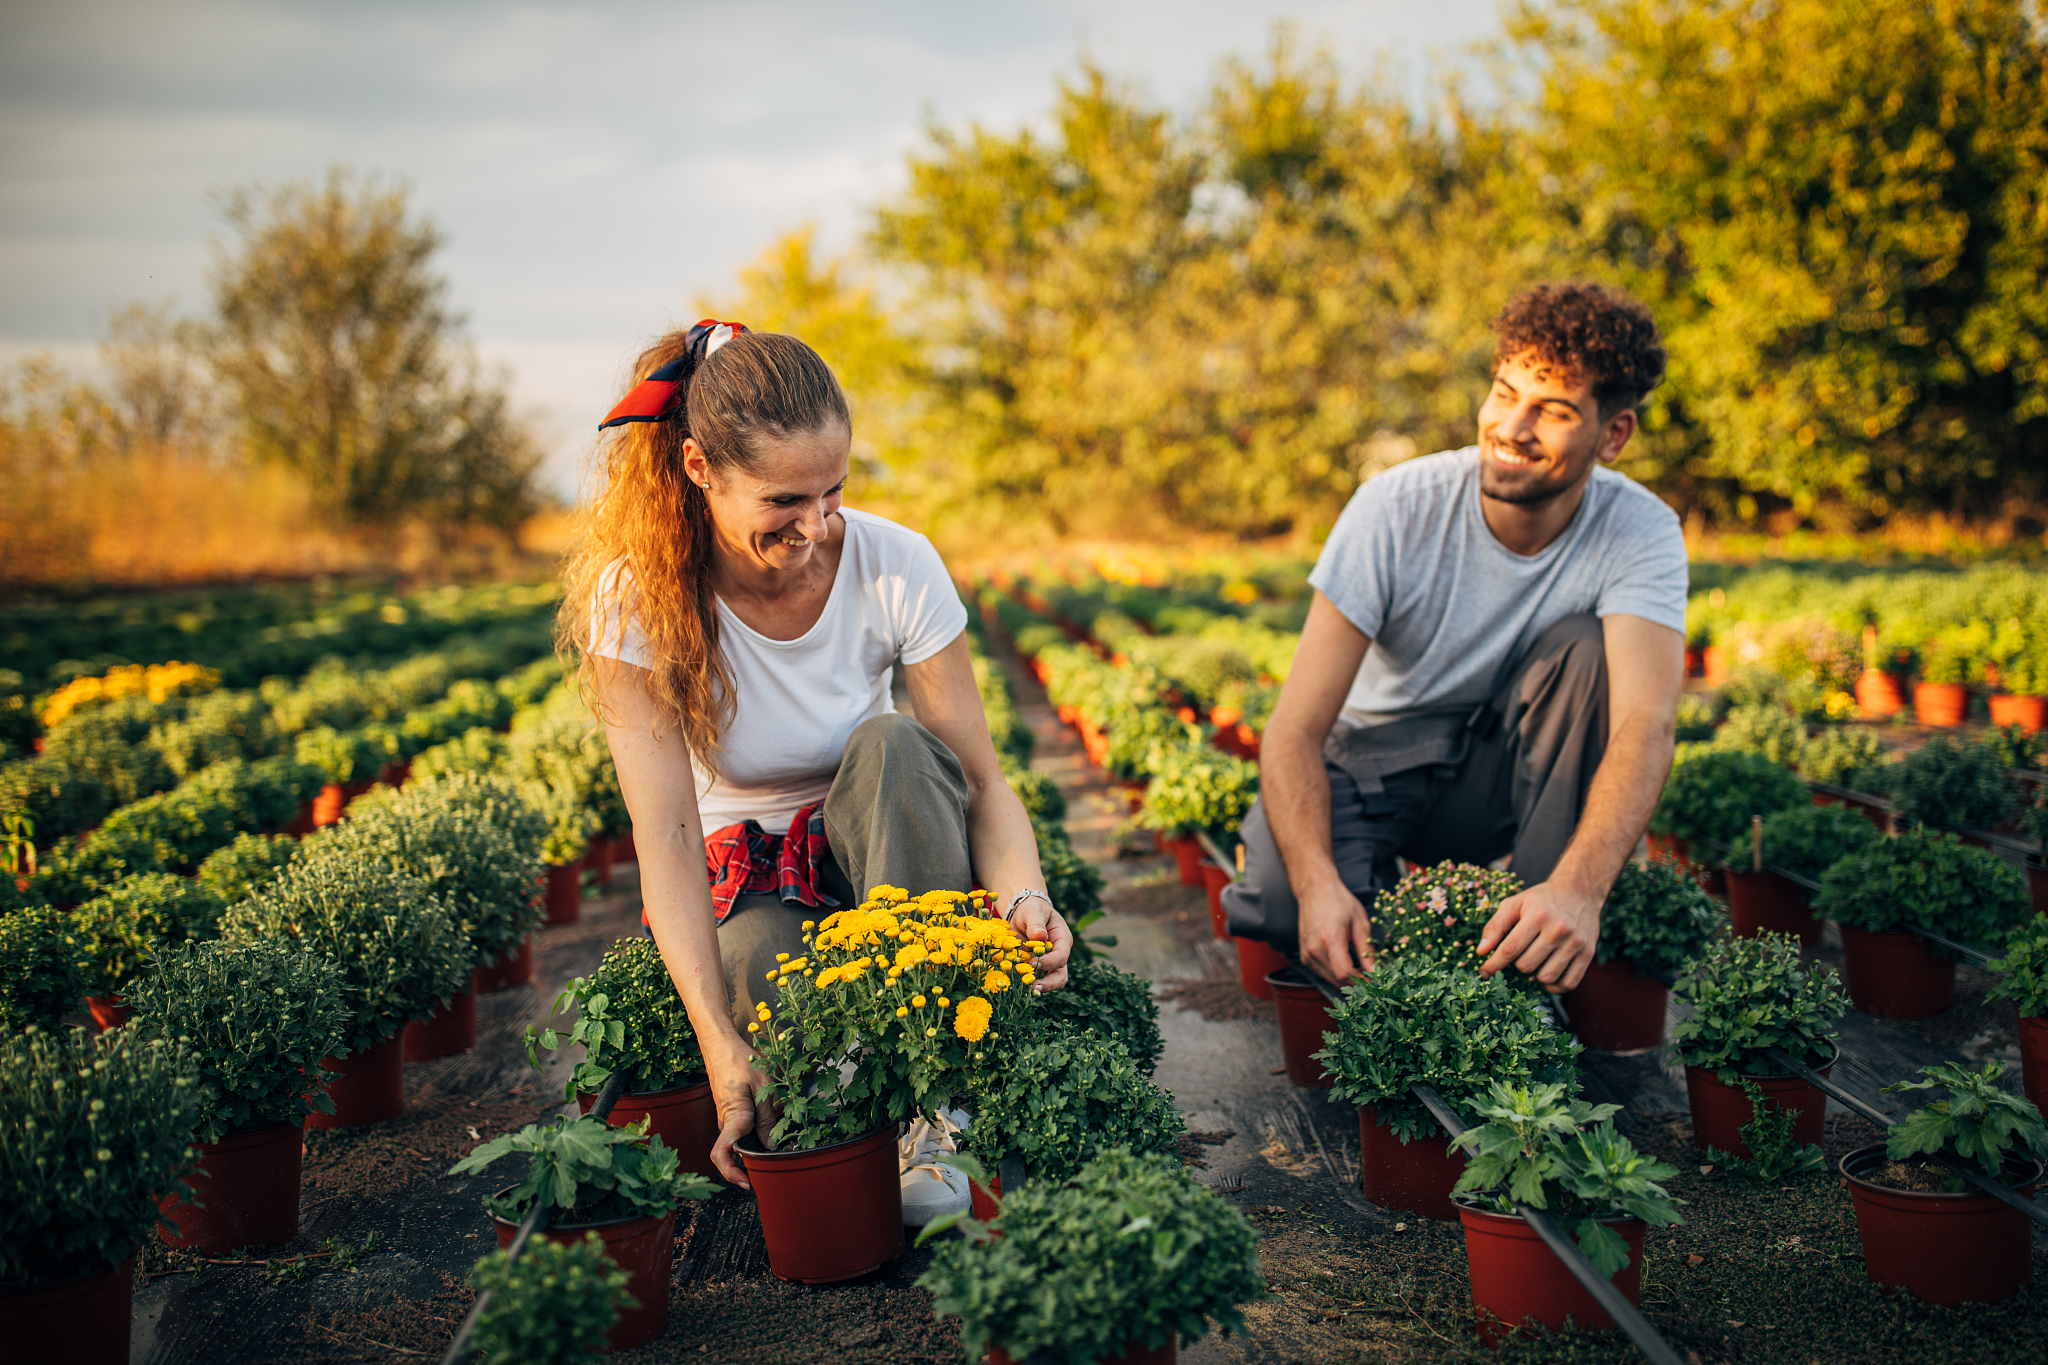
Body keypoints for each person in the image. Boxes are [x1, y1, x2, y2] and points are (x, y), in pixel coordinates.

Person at [561, 321, 1072, 1188]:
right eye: (784, 502)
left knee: (896, 745)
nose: (819, 524)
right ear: (700, 472)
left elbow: (980, 780)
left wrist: (1026, 894)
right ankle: (849, 1102)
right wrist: (720, 1044)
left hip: (883, 852)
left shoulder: (895, 561)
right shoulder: (637, 599)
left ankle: (935, 1096)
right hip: (749, 876)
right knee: (773, 976)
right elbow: (670, 838)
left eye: (833, 490)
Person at [1222, 282, 1687, 993]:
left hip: (1490, 775)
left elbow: (1645, 723)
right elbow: (1292, 729)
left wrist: (1580, 891)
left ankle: (1529, 951)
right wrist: (1319, 887)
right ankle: (1345, 896)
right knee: (1290, 910)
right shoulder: (1397, 508)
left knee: (1589, 654)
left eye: (1553, 411)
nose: (1514, 426)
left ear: (1613, 434)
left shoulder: (1640, 529)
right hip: (1369, 763)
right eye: (1505, 393)